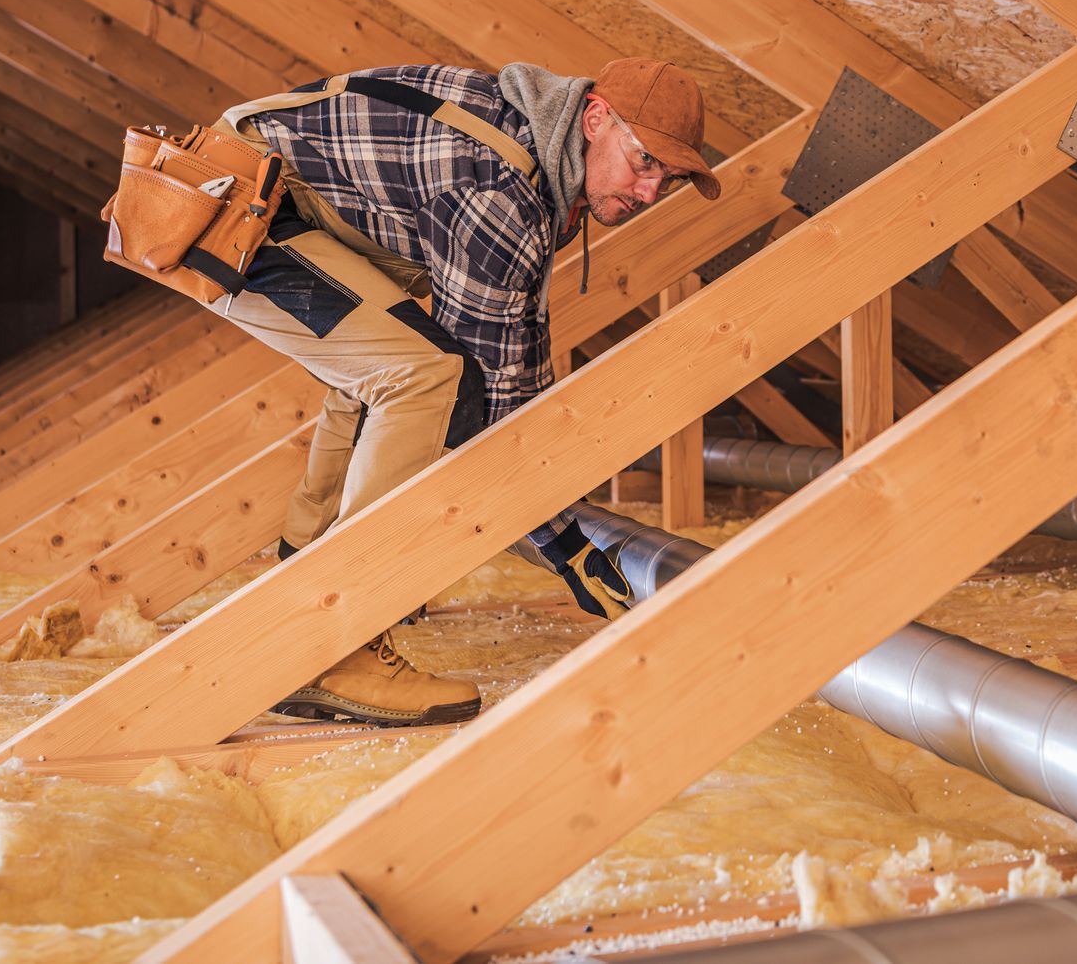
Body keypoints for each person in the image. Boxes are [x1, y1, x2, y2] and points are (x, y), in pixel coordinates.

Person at [208, 58, 722, 726]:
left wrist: (561, 518)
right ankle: (336, 641)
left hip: (257, 196)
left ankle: (299, 592)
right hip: (231, 204)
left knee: (397, 369)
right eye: (643, 162)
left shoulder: (536, 154)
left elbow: (518, 352)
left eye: (668, 178)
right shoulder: (499, 188)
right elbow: (496, 401)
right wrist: (565, 544)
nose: (650, 191)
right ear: (595, 120)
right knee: (424, 378)